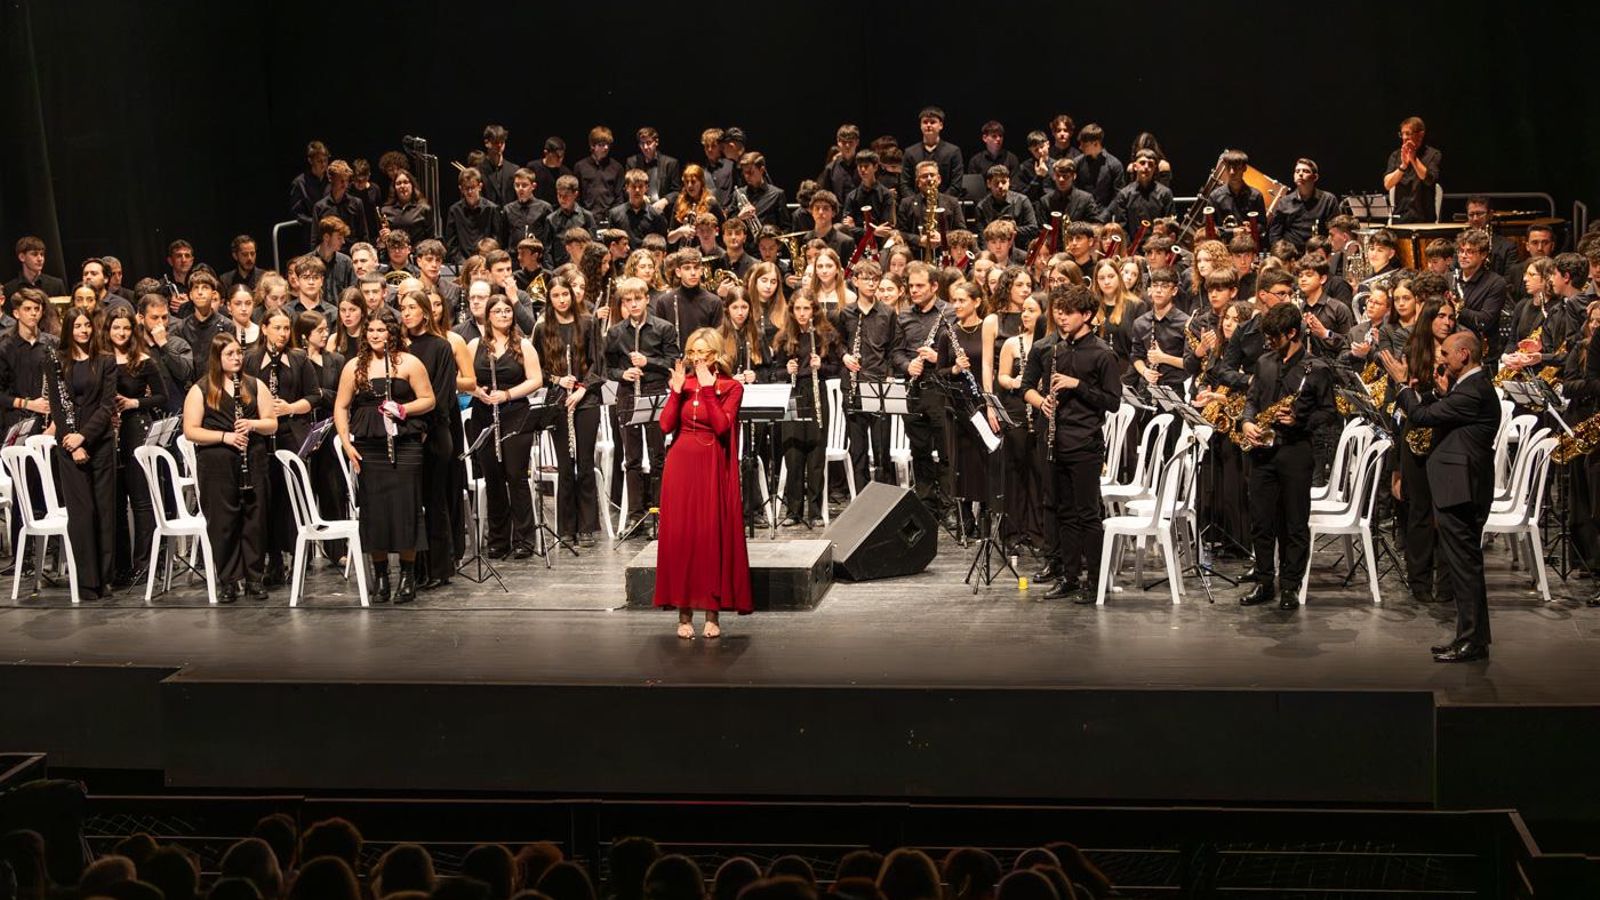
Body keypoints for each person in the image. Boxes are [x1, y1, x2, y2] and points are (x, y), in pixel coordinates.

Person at [1393, 332, 1498, 661]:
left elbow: (1422, 416)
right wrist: (1442, 394)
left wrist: (1403, 387)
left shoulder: (1474, 389)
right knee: (1465, 566)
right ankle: (1472, 638)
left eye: (1446, 353)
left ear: (1464, 354)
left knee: (1465, 567)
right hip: (1457, 486)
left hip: (1462, 488)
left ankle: (1471, 640)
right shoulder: (1468, 387)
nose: (1442, 358)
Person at [1023, 285, 1122, 603]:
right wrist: (1045, 402)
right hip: (1057, 441)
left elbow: (1113, 401)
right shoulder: (1057, 350)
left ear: (1087, 315)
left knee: (1087, 515)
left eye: (1069, 313)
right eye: (1059, 312)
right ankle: (1068, 576)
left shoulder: (1102, 353)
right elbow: (1030, 387)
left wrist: (1077, 384)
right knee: (1064, 513)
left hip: (1085, 443)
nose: (1061, 317)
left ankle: (1094, 582)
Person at [653, 327, 752, 637]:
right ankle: (683, 615)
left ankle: (712, 614)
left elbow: (722, 427)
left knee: (709, 536)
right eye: (692, 352)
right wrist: (676, 391)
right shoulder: (684, 384)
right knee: (682, 536)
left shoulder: (731, 387)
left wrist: (709, 390)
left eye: (702, 353)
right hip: (680, 465)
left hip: (710, 464)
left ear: (715, 355)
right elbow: (666, 425)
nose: (696, 359)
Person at [1237, 303, 1336, 610]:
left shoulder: (1317, 369)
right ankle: (1265, 581)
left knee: (1294, 523)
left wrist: (1299, 420)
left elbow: (1329, 413)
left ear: (1292, 333)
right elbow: (1252, 400)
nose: (1268, 342)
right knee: (1261, 522)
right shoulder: (1264, 363)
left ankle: (1291, 586)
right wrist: (1247, 422)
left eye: (1274, 336)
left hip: (1295, 451)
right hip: (1262, 452)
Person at [333, 310, 437, 603]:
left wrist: (404, 409)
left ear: (392, 333)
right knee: (374, 510)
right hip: (371, 446)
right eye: (371, 330)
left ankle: (407, 575)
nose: (375, 335)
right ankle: (381, 576)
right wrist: (346, 443)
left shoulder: (409, 362)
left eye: (381, 330)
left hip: (405, 445)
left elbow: (428, 400)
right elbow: (341, 407)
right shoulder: (355, 366)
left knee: (406, 509)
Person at [182, 333, 278, 603]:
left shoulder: (254, 385)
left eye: (239, 352)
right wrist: (225, 437)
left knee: (255, 520)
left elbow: (271, 423)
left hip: (253, 460)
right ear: (217, 357)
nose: (237, 358)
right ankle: (228, 580)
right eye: (230, 354)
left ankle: (254, 578)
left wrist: (252, 424)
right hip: (216, 464)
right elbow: (190, 431)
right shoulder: (201, 389)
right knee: (223, 523)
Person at [244, 308, 323, 587]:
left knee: (292, 499)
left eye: (286, 328)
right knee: (267, 499)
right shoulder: (251, 359)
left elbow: (314, 395)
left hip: (292, 434)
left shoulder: (299, 358)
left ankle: (299, 557)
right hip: (262, 436)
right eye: (277, 328)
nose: (282, 333)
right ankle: (274, 559)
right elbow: (243, 395)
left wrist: (290, 407)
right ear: (264, 329)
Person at [42, 309, 117, 598]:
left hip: (100, 442)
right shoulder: (56, 360)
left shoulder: (106, 360)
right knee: (82, 514)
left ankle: (105, 578)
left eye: (87, 325)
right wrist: (72, 443)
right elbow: (57, 406)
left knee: (104, 511)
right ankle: (87, 581)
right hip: (69, 447)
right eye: (77, 326)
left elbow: (107, 406)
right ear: (68, 329)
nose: (83, 330)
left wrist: (84, 436)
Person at [466, 294, 544, 559]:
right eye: (497, 311)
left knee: (516, 474)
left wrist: (508, 394)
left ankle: (524, 538)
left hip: (515, 413)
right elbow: (463, 379)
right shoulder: (474, 345)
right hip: (484, 413)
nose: (503, 315)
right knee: (493, 476)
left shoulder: (524, 345)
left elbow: (536, 380)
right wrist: (477, 392)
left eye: (507, 311)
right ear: (488, 315)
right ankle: (498, 538)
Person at [533, 275, 604, 546]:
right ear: (549, 299)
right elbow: (536, 369)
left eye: (565, 294)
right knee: (565, 465)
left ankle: (587, 527)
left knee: (584, 463)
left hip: (586, 400)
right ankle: (566, 528)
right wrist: (557, 380)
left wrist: (582, 388)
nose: (562, 300)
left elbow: (598, 364)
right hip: (558, 401)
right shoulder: (542, 329)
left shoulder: (587, 323)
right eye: (556, 296)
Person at [605, 276, 678, 529]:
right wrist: (622, 374)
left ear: (647, 299)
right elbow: (608, 368)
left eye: (638, 299)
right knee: (632, 459)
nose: (634, 304)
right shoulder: (615, 332)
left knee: (658, 456)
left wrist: (649, 362)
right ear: (623, 303)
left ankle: (659, 510)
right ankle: (636, 515)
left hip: (655, 392)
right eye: (628, 300)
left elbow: (673, 362)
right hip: (628, 395)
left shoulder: (663, 328)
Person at [774, 292, 839, 525]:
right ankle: (793, 511)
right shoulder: (784, 337)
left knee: (815, 453)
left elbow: (836, 369)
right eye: (798, 309)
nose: (802, 314)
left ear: (814, 311)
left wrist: (821, 366)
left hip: (816, 393)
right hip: (793, 394)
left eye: (806, 309)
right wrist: (786, 370)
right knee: (793, 453)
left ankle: (815, 511)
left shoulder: (825, 335)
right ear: (792, 311)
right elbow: (775, 372)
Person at [1266, 158, 1338, 251]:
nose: (1300, 174)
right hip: (1291, 255)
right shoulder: (1284, 202)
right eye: (1297, 171)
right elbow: (1275, 234)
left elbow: (1335, 231)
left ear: (1315, 177)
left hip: (1318, 253)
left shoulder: (1328, 200)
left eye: (1306, 171)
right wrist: (1281, 254)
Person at [1382, 116, 1443, 223]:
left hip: (1424, 219)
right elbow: (1387, 184)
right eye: (1402, 134)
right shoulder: (1396, 155)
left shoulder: (1433, 154)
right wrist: (1403, 166)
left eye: (1408, 133)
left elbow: (1429, 180)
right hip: (1400, 218)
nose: (1404, 137)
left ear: (1420, 135)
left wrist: (1413, 158)